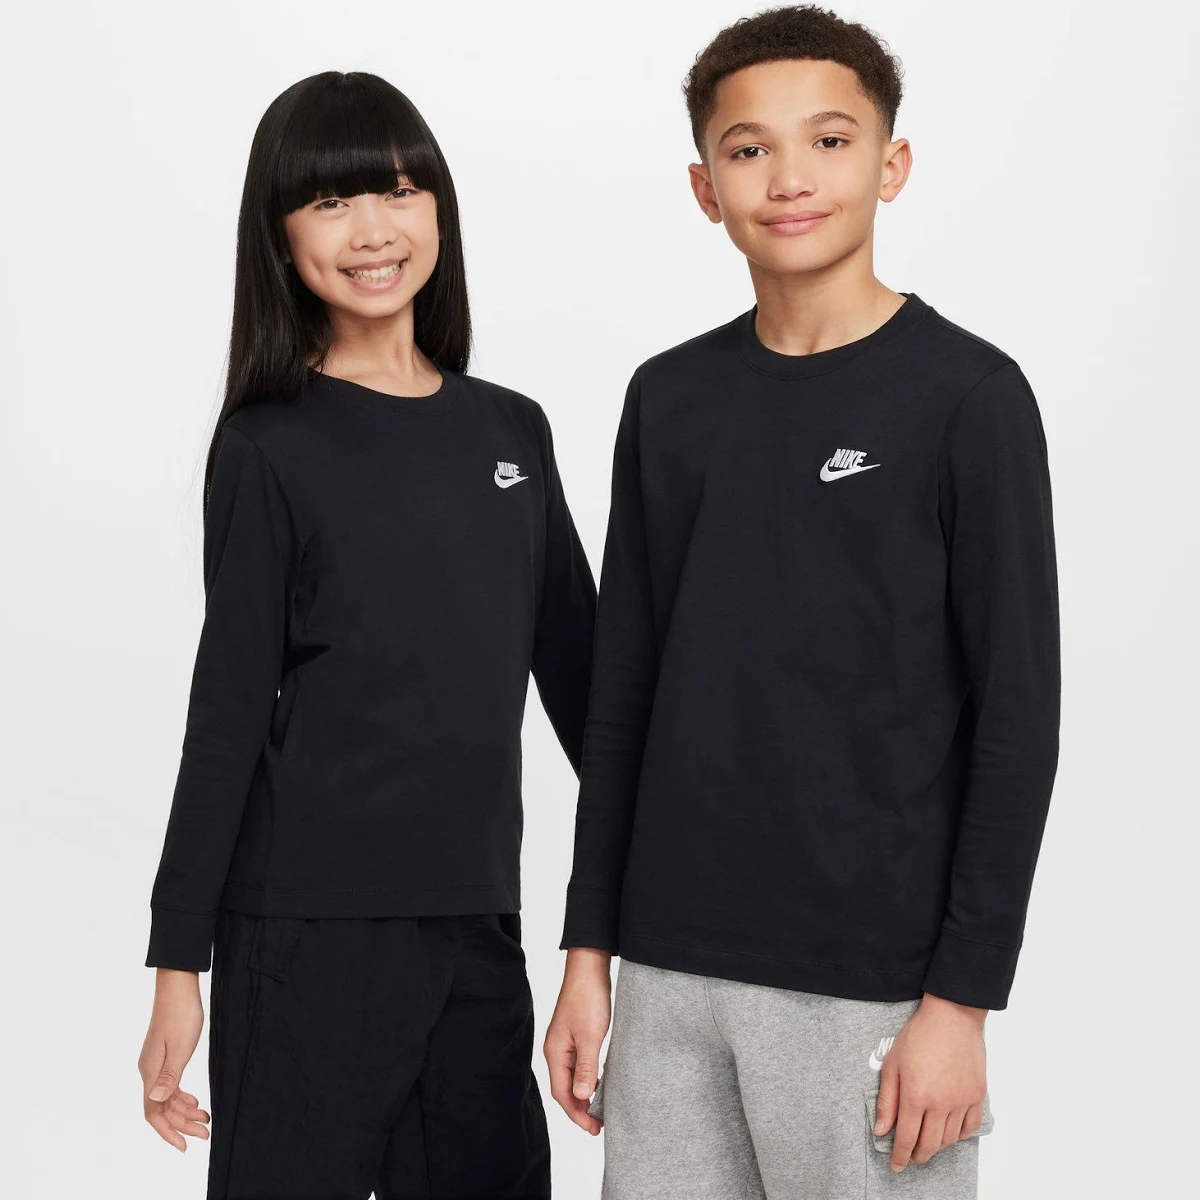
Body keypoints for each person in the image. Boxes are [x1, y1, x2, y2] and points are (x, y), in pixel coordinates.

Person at [545, 6, 1060, 1198]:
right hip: (670, 973)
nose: (789, 178)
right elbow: (623, 696)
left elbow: (1017, 718)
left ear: (893, 164)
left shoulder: (968, 398)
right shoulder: (668, 399)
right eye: (748, 149)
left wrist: (962, 1001)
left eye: (830, 141)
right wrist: (588, 953)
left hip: (872, 984)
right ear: (703, 186)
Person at [136, 70, 596, 1200]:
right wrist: (177, 963)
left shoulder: (513, 433)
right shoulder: (268, 444)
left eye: (397, 190)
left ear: (438, 206)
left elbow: (592, 692)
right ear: (281, 234)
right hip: (302, 935)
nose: (372, 230)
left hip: (477, 925)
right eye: (330, 202)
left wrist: (650, 911)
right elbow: (226, 712)